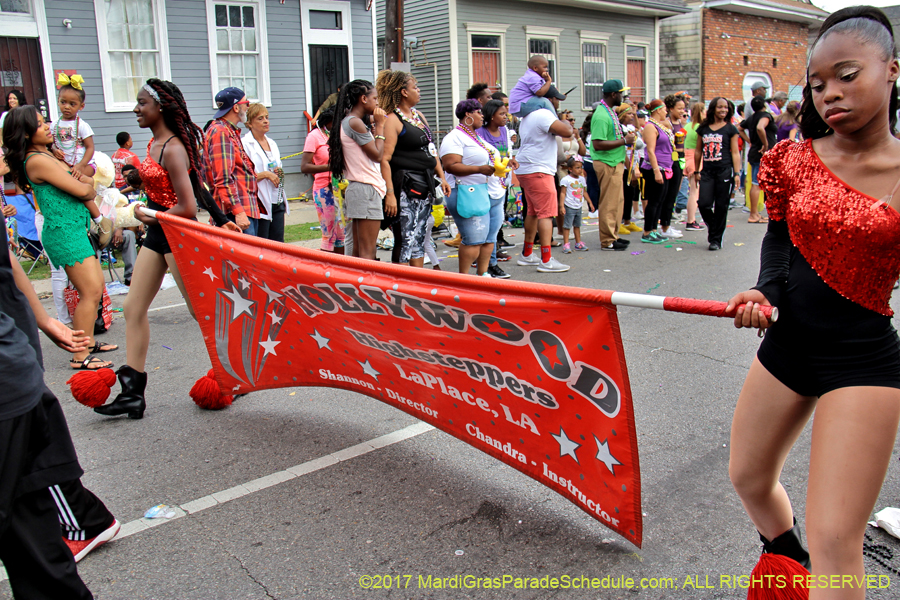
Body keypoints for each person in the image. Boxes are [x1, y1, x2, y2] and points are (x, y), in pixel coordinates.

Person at [726, 8, 900, 596]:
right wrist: (763, 290)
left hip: (864, 362)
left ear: (891, 70)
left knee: (836, 540)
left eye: (848, 75)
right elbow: (779, 238)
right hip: (787, 345)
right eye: (818, 83)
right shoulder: (792, 159)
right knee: (749, 478)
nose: (831, 94)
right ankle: (786, 559)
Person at [93, 78, 237, 419]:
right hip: (159, 234)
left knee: (201, 313)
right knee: (131, 307)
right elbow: (172, 191)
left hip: (178, 236)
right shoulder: (152, 142)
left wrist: (147, 214)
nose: (135, 108)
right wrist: (146, 210)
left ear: (160, 106)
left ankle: (232, 375)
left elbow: (186, 206)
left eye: (142, 102)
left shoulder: (173, 147)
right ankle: (132, 393)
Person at [3, 105, 115, 371]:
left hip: (74, 228)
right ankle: (80, 355)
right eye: (40, 124)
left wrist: (84, 183)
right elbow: (84, 189)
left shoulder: (49, 155)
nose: (47, 126)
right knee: (90, 292)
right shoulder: (37, 160)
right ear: (27, 133)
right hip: (64, 233)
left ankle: (87, 343)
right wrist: (86, 184)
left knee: (95, 287)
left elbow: (84, 182)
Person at [377, 70, 450, 268]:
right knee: (405, 239)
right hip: (404, 187)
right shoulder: (392, 120)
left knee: (419, 238)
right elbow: (385, 159)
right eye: (415, 88)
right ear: (403, 92)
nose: (419, 91)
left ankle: (418, 285)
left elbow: (430, 149)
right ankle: (400, 286)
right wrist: (390, 194)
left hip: (424, 184)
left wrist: (442, 176)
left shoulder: (418, 116)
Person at [514, 86, 574, 270]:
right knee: (546, 213)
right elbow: (567, 132)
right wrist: (565, 122)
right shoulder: (544, 114)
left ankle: (527, 253)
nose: (558, 103)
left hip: (528, 167)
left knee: (533, 212)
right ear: (547, 100)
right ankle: (546, 259)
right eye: (556, 99)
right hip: (539, 168)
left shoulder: (528, 117)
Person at [440, 99, 502, 275]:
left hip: (490, 191)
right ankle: (464, 280)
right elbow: (451, 166)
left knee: (489, 239)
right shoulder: (454, 137)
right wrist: (480, 169)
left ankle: (482, 276)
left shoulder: (476, 137)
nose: (483, 116)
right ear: (468, 115)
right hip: (468, 192)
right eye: (479, 112)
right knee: (474, 240)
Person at [327, 79, 388, 260]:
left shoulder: (349, 121)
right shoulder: (354, 123)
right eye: (375, 98)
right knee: (368, 252)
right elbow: (377, 155)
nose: (377, 103)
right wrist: (380, 126)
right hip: (365, 188)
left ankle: (356, 287)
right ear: (363, 98)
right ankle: (367, 287)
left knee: (358, 250)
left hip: (359, 188)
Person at [205, 87, 260, 235]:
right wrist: (238, 211)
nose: (248, 107)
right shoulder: (221, 132)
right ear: (236, 107)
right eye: (246, 103)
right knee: (243, 258)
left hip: (244, 208)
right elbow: (222, 178)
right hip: (234, 213)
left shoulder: (229, 131)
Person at [590, 79, 635, 251]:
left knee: (617, 202)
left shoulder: (610, 111)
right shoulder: (601, 115)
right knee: (609, 203)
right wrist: (624, 141)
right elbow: (597, 144)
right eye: (621, 93)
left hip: (615, 161)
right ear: (613, 94)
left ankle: (614, 236)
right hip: (607, 162)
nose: (623, 97)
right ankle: (607, 240)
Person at [477, 98, 519, 278]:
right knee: (485, 230)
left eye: (506, 113)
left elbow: (506, 153)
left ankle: (490, 264)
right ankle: (487, 265)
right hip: (484, 185)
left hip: (500, 185)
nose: (506, 117)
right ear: (491, 116)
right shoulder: (480, 132)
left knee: (494, 228)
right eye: (501, 114)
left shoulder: (504, 131)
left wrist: (510, 161)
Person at [694, 97, 741, 251]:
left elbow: (735, 152)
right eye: (720, 107)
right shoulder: (703, 128)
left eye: (726, 108)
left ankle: (715, 239)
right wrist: (696, 170)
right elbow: (698, 150)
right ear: (713, 108)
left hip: (724, 171)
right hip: (707, 172)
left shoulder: (730, 129)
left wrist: (737, 173)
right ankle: (714, 228)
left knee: (721, 206)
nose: (723, 110)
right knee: (704, 204)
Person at [301, 109, 345, 254]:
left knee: (342, 235)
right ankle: (327, 271)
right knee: (329, 234)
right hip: (324, 190)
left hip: (340, 188)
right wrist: (331, 167)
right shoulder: (314, 136)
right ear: (328, 121)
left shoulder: (336, 135)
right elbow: (305, 166)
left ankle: (342, 270)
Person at [242, 104, 287, 242]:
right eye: (260, 119)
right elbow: (244, 176)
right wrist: (266, 175)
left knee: (278, 243)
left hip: (276, 199)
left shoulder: (272, 143)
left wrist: (278, 172)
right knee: (263, 243)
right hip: (258, 201)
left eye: (267, 117)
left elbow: (276, 165)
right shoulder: (244, 144)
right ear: (249, 123)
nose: (266, 121)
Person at [639, 99, 676, 244]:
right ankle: (647, 231)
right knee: (654, 201)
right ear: (658, 110)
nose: (666, 112)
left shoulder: (660, 125)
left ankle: (654, 230)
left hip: (665, 167)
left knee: (660, 200)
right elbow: (650, 150)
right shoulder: (650, 127)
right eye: (665, 109)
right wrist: (656, 171)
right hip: (655, 168)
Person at [51, 74, 95, 179]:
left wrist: (81, 165)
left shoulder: (82, 126)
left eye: (72, 104)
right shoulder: (54, 125)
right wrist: (54, 150)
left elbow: (90, 147)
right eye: (63, 102)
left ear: (81, 106)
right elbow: (51, 143)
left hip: (84, 164)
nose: (66, 106)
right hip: (64, 164)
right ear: (58, 101)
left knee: (76, 178)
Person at [739, 95, 775, 223]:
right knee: (756, 184)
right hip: (762, 154)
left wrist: (750, 141)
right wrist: (765, 144)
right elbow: (760, 127)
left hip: (755, 152)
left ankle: (755, 213)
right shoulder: (765, 116)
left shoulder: (751, 118)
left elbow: (739, 128)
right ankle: (753, 214)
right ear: (764, 105)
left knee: (757, 183)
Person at [657, 94, 687, 239]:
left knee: (675, 192)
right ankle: (664, 226)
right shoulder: (666, 123)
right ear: (670, 109)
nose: (682, 111)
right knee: (669, 194)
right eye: (679, 108)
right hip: (671, 159)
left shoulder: (680, 122)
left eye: (683, 108)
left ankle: (667, 225)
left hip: (680, 158)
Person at [616, 104, 643, 235]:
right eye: (629, 114)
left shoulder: (630, 128)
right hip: (625, 164)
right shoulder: (620, 128)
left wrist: (636, 113)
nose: (632, 116)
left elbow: (638, 131)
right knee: (623, 195)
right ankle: (619, 221)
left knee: (630, 194)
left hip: (633, 163)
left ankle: (627, 220)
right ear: (622, 115)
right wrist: (630, 169)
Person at [683, 101, 706, 231]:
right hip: (696, 158)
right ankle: (691, 220)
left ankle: (691, 219)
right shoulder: (701, 128)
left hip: (685, 156)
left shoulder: (686, 126)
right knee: (694, 192)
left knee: (691, 191)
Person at [558, 159, 588, 253]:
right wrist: (561, 206)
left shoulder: (581, 179)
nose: (580, 170)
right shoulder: (566, 180)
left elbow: (584, 192)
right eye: (577, 168)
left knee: (577, 225)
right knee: (567, 226)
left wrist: (590, 202)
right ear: (570, 169)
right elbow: (562, 193)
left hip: (578, 205)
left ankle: (578, 243)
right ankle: (566, 244)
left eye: (581, 168)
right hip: (569, 205)